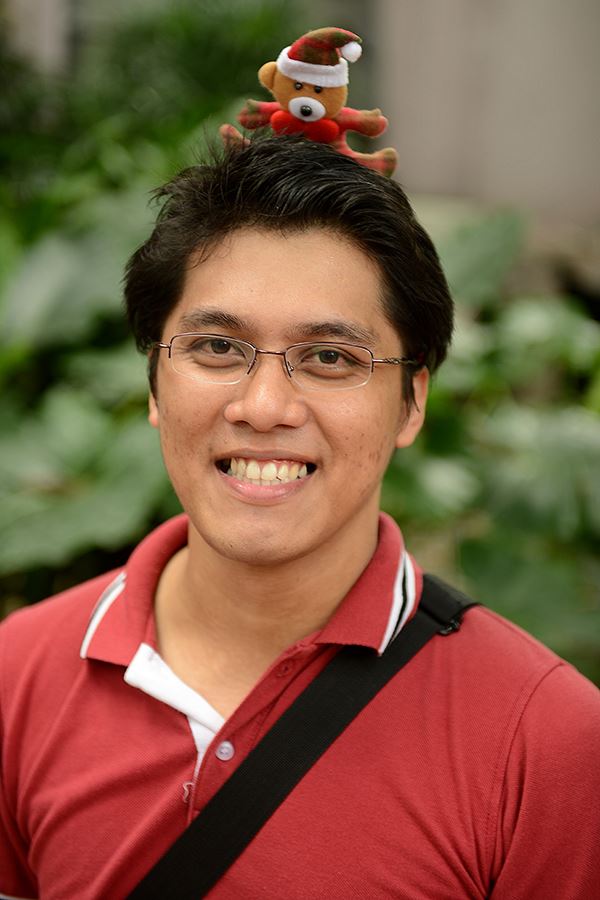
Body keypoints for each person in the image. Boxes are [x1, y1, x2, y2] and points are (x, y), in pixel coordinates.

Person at [1, 136, 599, 900]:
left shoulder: (546, 739)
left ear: (412, 402)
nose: (263, 407)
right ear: (153, 381)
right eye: (218, 347)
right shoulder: (16, 676)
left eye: (330, 359)